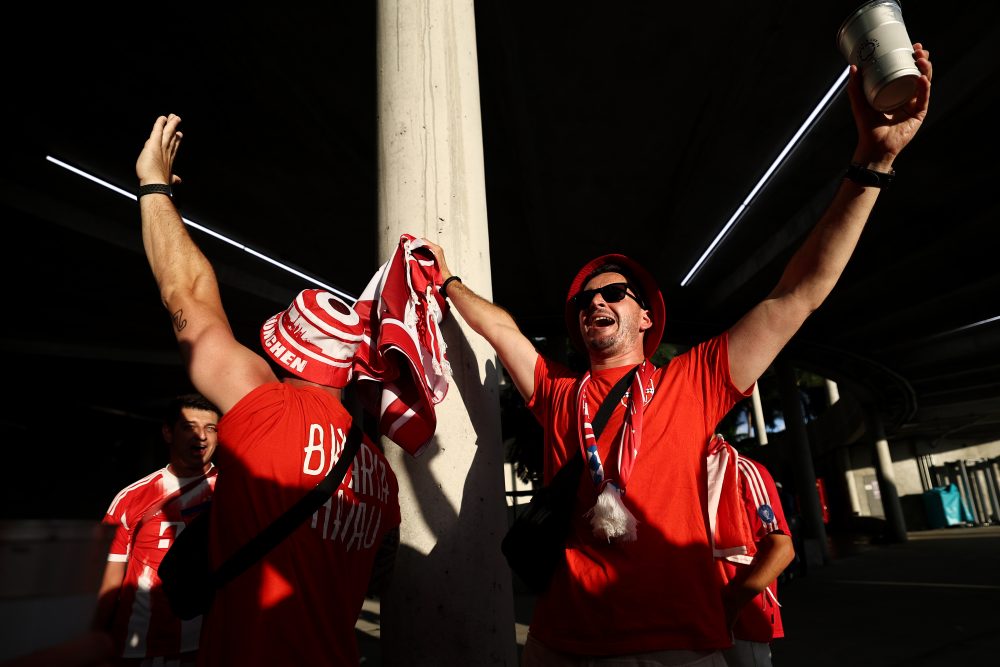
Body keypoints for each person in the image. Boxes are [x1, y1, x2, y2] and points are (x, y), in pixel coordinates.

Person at [424, 44, 932, 665]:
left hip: (681, 649)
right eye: (584, 301)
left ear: (646, 316)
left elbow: (798, 295)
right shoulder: (558, 394)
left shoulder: (696, 381)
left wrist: (871, 164)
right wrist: (447, 283)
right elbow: (500, 328)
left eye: (614, 293)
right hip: (562, 647)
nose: (594, 304)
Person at [134, 114, 401, 666]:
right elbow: (378, 573)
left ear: (283, 352)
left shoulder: (267, 407)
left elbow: (186, 290)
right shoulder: (382, 474)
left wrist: (154, 187)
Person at [92, 393, 221, 666]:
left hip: (206, 645)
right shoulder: (131, 497)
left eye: (210, 428)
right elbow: (108, 580)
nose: (201, 436)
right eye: (189, 427)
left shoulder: (234, 493)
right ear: (168, 432)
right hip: (136, 645)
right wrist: (94, 640)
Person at [716, 446, 794, 667]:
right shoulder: (681, 472)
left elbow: (782, 548)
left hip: (742, 624)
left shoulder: (742, 469)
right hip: (700, 621)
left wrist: (732, 604)